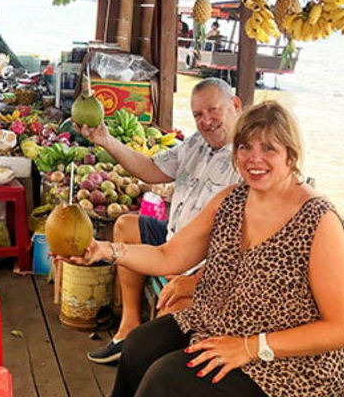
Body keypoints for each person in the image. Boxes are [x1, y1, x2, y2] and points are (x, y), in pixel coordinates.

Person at [66, 101, 344, 397]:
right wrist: (104, 250)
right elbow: (169, 256)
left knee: (166, 381)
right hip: (222, 323)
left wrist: (251, 347)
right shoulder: (232, 199)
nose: (254, 159)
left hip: (289, 364)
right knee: (140, 346)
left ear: (291, 155)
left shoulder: (317, 219)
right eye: (245, 147)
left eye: (269, 148)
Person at [80, 78, 243, 364]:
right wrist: (106, 140)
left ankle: (147, 359)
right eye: (198, 115)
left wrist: (193, 278)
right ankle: (129, 326)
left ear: (236, 105)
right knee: (126, 226)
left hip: (204, 263)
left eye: (213, 110)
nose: (206, 121)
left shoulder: (249, 161)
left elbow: (244, 247)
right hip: (173, 242)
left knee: (166, 320)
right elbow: (152, 170)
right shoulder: (196, 143)